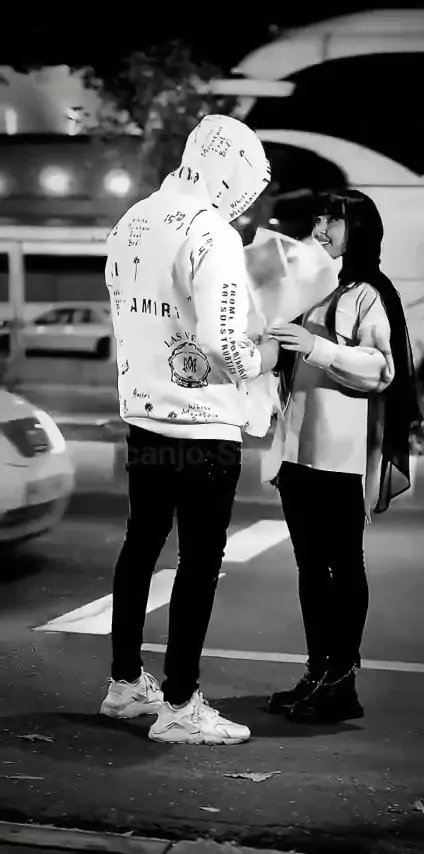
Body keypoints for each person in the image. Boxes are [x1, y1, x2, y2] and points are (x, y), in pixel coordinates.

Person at [99, 115, 279, 745]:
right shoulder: (211, 231)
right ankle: (180, 705)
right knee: (199, 563)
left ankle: (125, 684)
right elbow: (222, 339)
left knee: (140, 545)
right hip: (203, 428)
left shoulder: (134, 221)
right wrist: (265, 359)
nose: (246, 199)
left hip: (145, 418)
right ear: (230, 172)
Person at [265, 189, 419, 723]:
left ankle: (341, 681)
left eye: (334, 219)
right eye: (319, 218)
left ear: (360, 230)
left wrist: (317, 347)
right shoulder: (311, 288)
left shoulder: (368, 293)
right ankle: (318, 672)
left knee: (342, 565)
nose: (321, 228)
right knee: (311, 568)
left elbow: (381, 368)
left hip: (341, 456)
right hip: (296, 452)